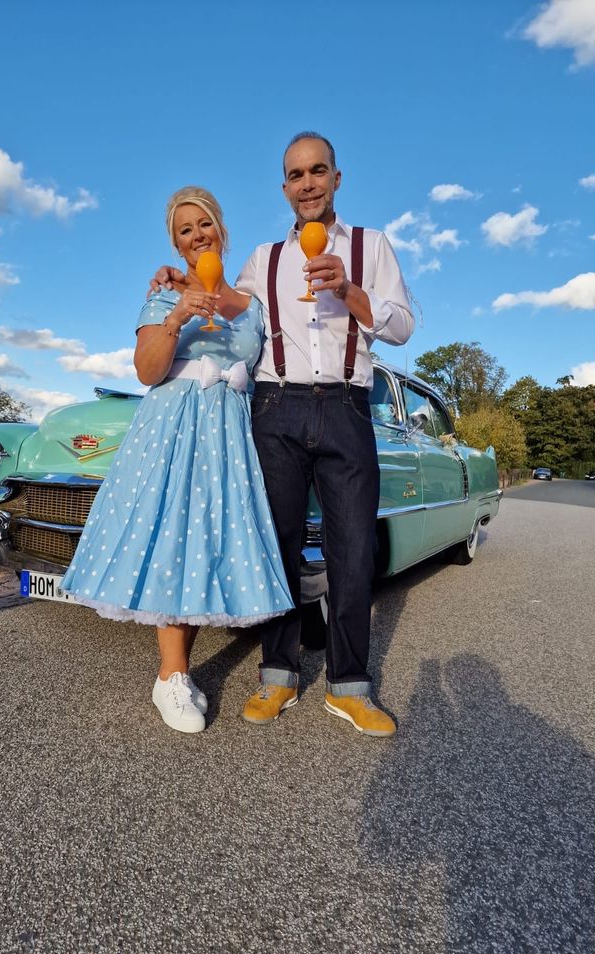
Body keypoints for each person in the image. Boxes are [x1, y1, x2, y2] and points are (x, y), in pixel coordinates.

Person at [152, 134, 414, 737]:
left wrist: (349, 291)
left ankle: (349, 687)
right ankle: (278, 676)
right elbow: (219, 296)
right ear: (284, 188)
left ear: (336, 178)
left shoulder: (372, 247)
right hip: (277, 408)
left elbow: (401, 326)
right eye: (295, 175)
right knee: (277, 547)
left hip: (348, 406)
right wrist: (175, 272)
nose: (307, 183)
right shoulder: (264, 260)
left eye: (317, 171)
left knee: (355, 549)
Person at [61, 186, 293, 734]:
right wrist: (177, 319)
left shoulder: (252, 307)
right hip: (173, 425)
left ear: (221, 230)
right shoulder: (164, 295)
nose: (197, 235)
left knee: (209, 541)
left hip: (230, 432)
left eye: (204, 224)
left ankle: (179, 674)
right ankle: (171, 676)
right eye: (184, 230)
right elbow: (146, 371)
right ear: (176, 242)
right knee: (174, 537)